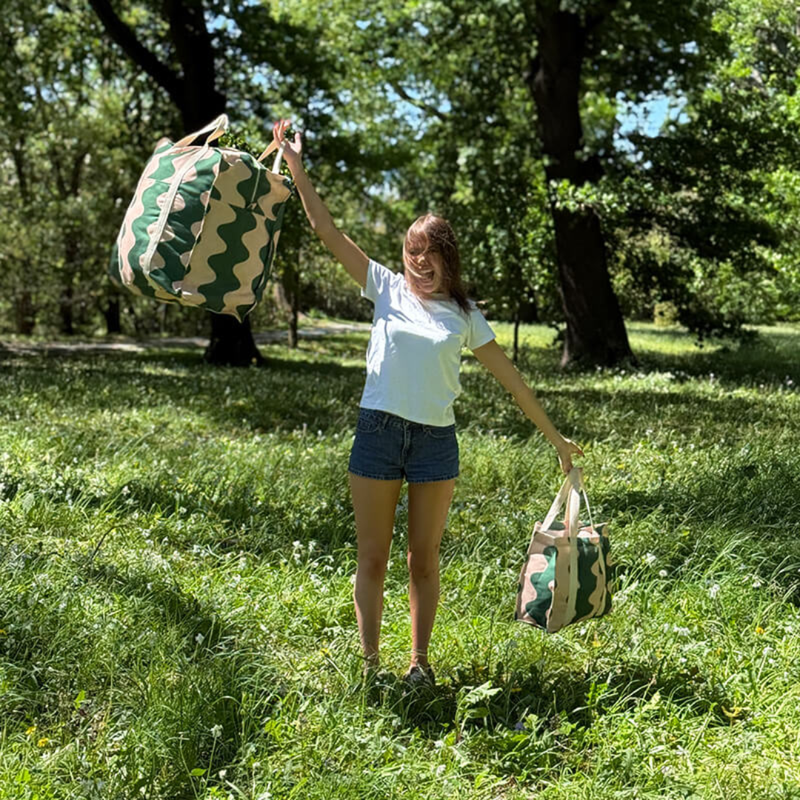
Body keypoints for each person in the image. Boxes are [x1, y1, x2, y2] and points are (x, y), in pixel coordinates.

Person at [271, 119, 584, 687]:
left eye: (429, 252)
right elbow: (326, 230)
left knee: (423, 559)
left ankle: (418, 662)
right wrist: (295, 165)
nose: (418, 261)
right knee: (372, 556)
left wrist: (556, 439)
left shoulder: (464, 315)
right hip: (378, 432)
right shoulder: (384, 287)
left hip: (435, 442)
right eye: (412, 251)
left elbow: (512, 381)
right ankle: (370, 667)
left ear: (447, 257)